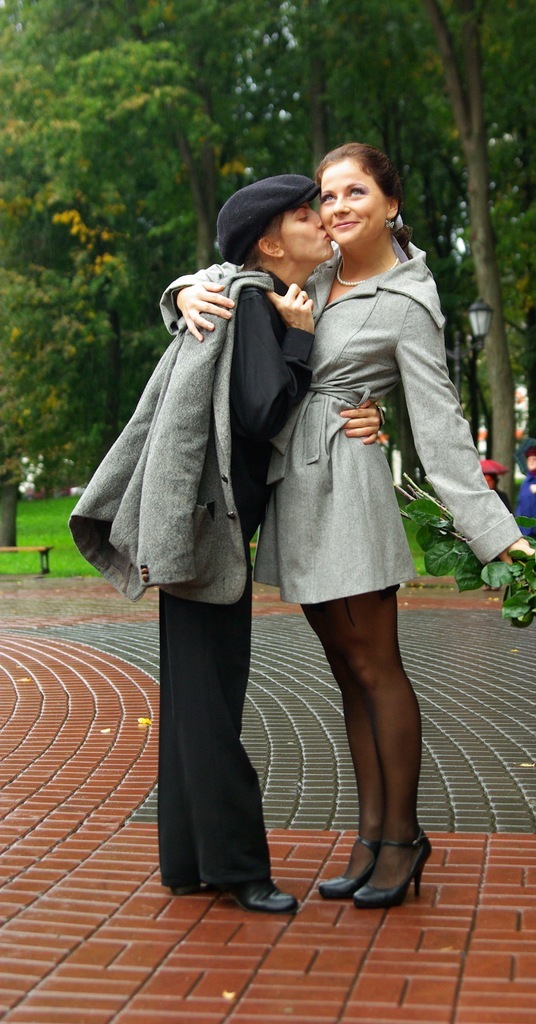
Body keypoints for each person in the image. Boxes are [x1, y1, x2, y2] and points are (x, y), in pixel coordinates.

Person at [170, 143, 534, 911]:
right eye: (327, 194)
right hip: (295, 492)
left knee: (377, 667)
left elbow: (441, 429)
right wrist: (182, 292)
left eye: (354, 192)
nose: (336, 207)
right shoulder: (317, 271)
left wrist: (498, 535)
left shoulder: (409, 303)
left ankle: (402, 838)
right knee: (345, 671)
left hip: (348, 489)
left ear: (390, 203)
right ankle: (370, 837)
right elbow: (236, 279)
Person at [70, 174, 381, 915]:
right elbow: (262, 410)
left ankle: (189, 862)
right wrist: (299, 339)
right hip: (208, 527)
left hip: (198, 522)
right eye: (305, 214)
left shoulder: (243, 294)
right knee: (211, 705)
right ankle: (239, 868)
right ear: (270, 243)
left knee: (194, 701)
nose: (322, 220)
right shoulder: (253, 304)